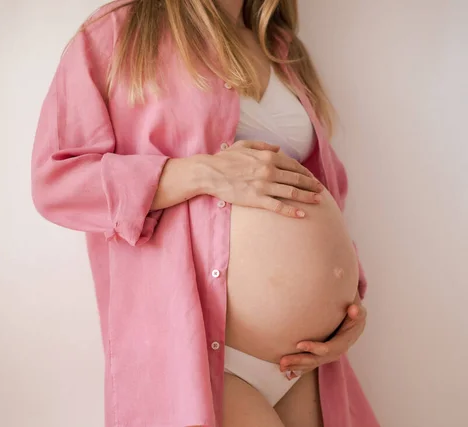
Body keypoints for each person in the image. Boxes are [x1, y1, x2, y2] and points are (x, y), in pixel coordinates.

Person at [31, 0, 379, 426]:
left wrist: (348, 305)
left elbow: (321, 189)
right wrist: (202, 172)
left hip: (310, 362)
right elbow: (57, 181)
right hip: (204, 349)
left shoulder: (281, 47)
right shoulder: (121, 30)